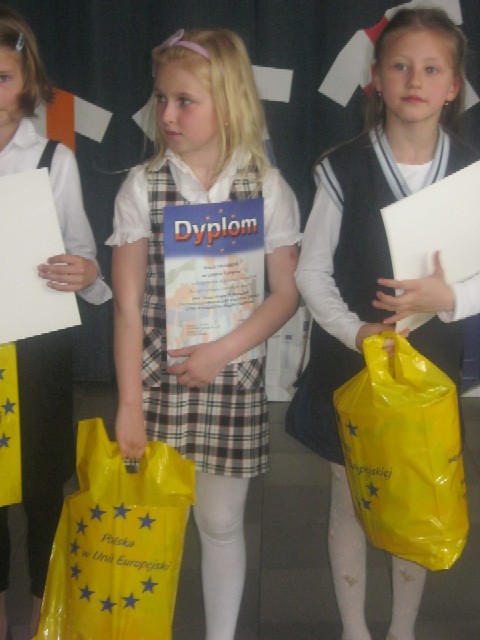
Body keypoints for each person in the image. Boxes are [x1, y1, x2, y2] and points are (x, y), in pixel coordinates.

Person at [106, 28, 300, 640]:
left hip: (230, 378)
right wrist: (129, 404)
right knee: (152, 523)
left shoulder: (267, 187)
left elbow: (286, 293)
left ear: (230, 104)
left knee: (220, 524)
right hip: (157, 383)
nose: (166, 115)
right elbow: (127, 308)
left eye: (185, 101)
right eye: (161, 99)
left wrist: (221, 351)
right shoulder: (143, 186)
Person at [293, 7, 479, 640]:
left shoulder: (471, 171)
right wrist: (355, 332)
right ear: (376, 77)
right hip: (351, 366)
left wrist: (450, 295)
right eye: (399, 66)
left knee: (415, 498)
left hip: (430, 368)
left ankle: (402, 630)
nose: (414, 80)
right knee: (351, 498)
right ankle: (355, 629)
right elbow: (311, 272)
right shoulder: (343, 167)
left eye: (431, 69)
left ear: (453, 86)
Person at [0, 5, 112, 639]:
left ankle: (46, 610)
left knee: (43, 478)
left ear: (28, 82)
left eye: (2, 77)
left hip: (37, 346)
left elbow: (85, 258)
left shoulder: (51, 157)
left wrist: (83, 272)